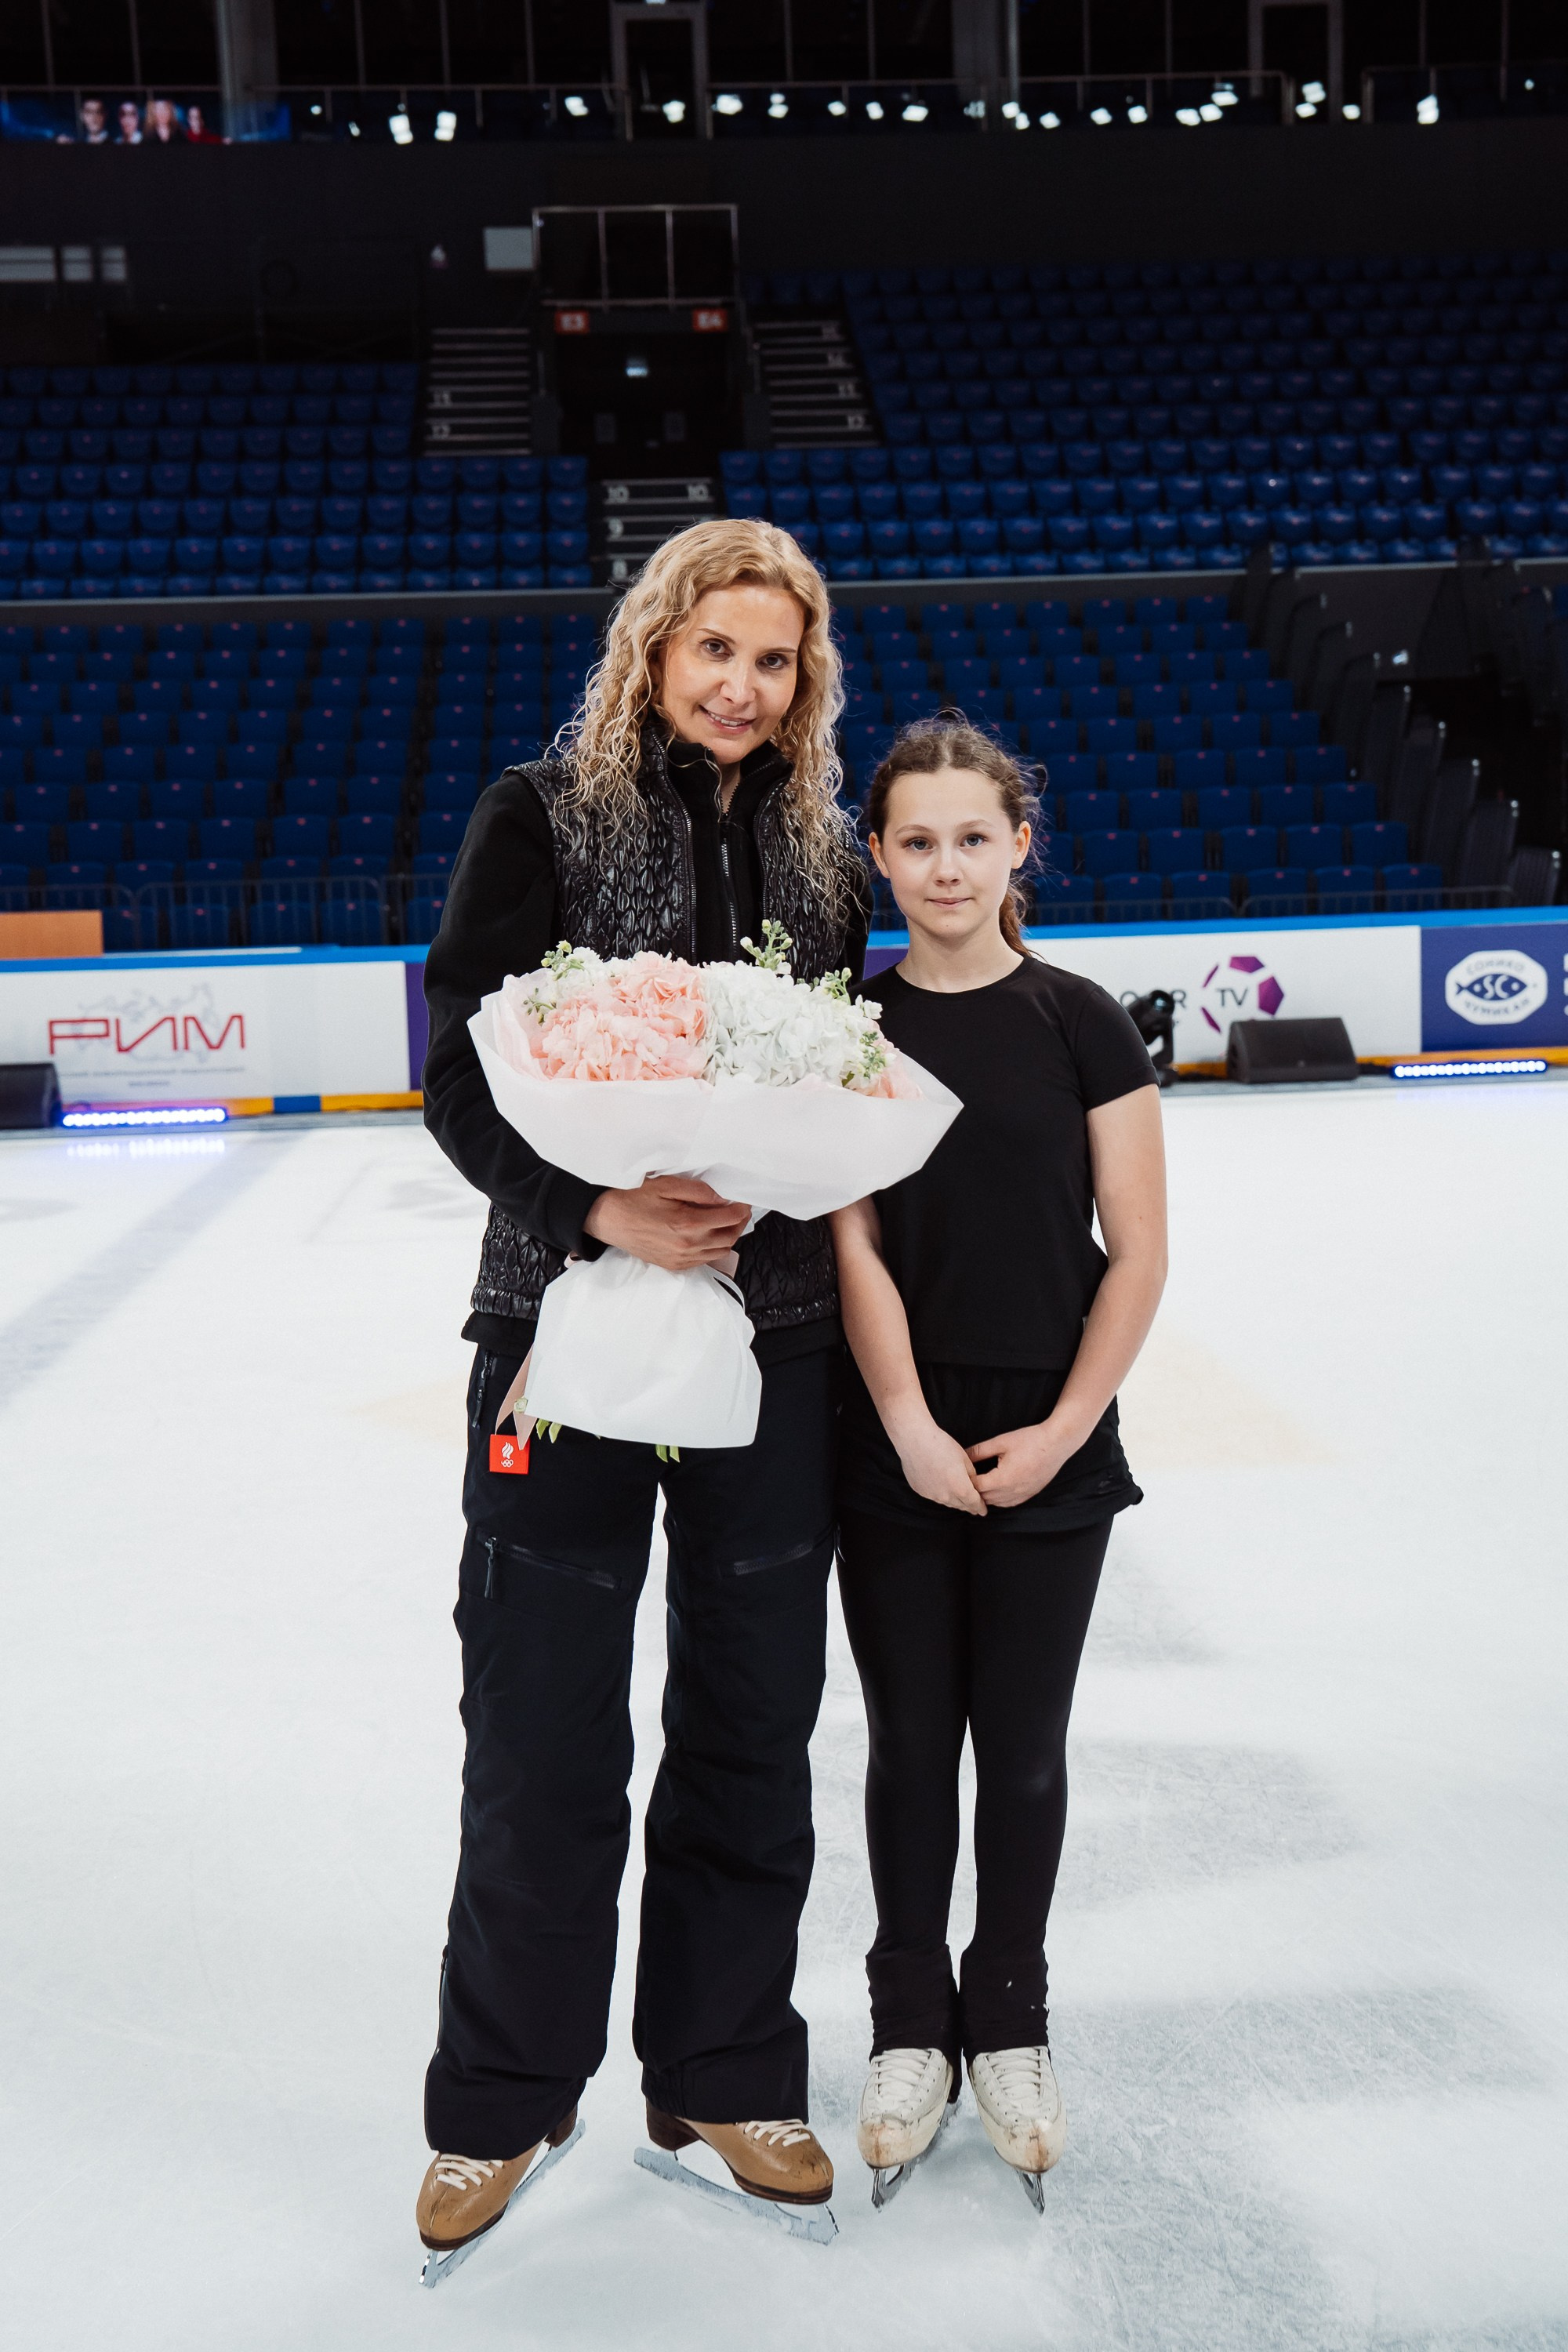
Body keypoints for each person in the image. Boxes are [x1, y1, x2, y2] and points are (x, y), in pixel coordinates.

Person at [416, 518, 871, 2265]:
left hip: (773, 1347)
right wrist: (585, 1203)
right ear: (653, 650)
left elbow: (841, 1072)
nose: (743, 687)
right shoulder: (540, 813)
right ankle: (501, 2101)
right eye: (716, 653)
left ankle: (723, 2073)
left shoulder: (824, 858)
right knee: (539, 1737)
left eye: (776, 661)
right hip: (561, 1331)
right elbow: (461, 1055)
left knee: (751, 1726)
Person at [829, 720, 1167, 2207]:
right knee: (912, 1743)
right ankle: (913, 2024)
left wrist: (1069, 1427)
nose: (945, 866)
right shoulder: (851, 1024)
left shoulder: (1081, 1019)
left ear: (1021, 843)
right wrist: (902, 1418)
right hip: (889, 1428)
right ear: (880, 855)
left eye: (974, 837)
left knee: (1020, 1747)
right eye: (916, 841)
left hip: (1053, 1426)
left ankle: (1010, 2017)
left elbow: (1140, 1251)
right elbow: (849, 1235)